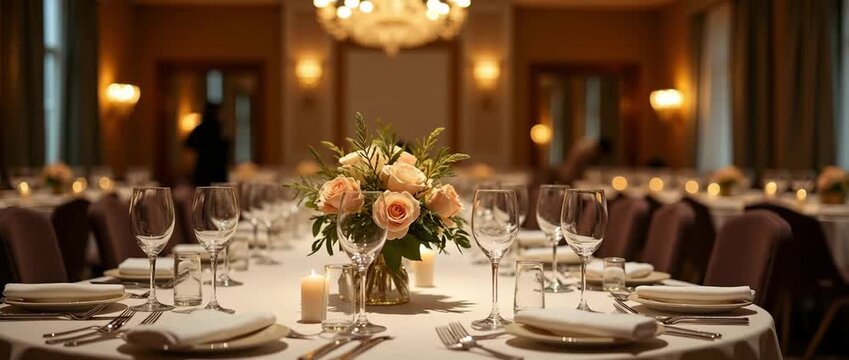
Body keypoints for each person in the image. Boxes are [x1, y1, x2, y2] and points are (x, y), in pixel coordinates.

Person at [186, 103, 228, 186]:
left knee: (204, 195)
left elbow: (189, 143)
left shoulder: (202, 128)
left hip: (207, 169)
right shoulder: (217, 128)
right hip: (212, 169)